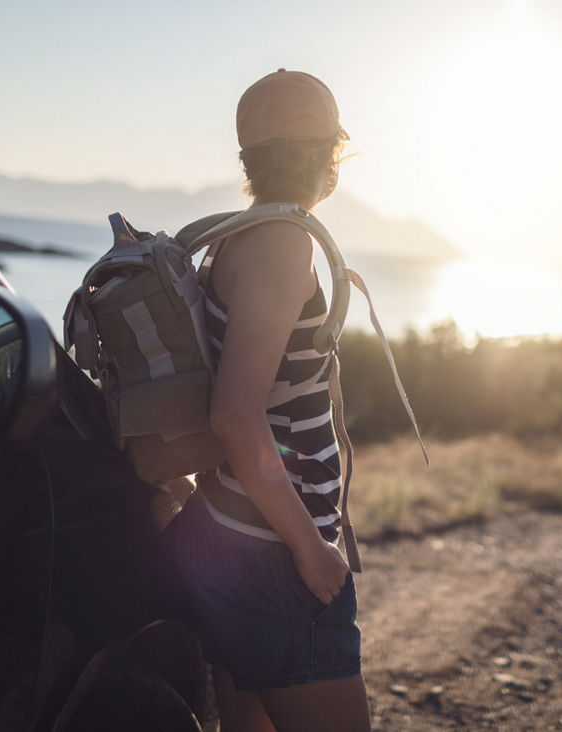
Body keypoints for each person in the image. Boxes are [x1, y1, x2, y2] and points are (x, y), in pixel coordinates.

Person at [163, 69, 369, 731]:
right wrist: (310, 546)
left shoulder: (236, 233)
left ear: (249, 158)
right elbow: (235, 414)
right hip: (272, 555)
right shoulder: (284, 243)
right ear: (328, 155)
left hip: (225, 534)